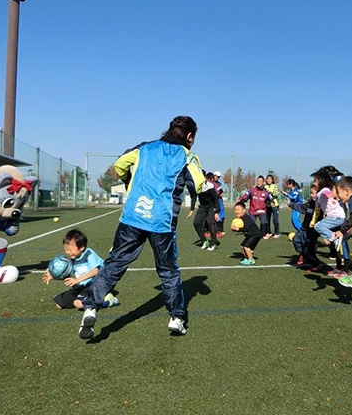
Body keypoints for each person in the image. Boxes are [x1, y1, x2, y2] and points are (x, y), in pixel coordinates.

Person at [78, 116, 205, 339]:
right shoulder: (187, 155)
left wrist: (130, 182)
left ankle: (90, 307)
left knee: (115, 263)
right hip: (161, 222)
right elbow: (199, 183)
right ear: (189, 136)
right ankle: (176, 317)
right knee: (168, 271)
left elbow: (119, 165)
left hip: (132, 217)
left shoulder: (144, 148)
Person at [43, 229, 119, 309]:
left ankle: (108, 301)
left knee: (78, 303)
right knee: (60, 304)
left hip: (96, 283)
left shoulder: (88, 254)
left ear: (81, 247)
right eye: (66, 249)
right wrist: (53, 275)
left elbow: (96, 271)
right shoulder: (73, 258)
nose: (68, 252)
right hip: (83, 286)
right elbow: (66, 273)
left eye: (70, 249)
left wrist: (77, 280)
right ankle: (95, 297)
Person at [189, 172, 221, 251]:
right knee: (196, 222)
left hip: (212, 206)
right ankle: (204, 241)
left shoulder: (209, 186)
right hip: (203, 206)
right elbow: (194, 197)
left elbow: (216, 199)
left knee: (209, 222)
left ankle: (214, 243)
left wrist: (217, 211)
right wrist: (192, 209)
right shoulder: (196, 185)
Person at [231, 201, 262, 265]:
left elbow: (246, 228)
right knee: (242, 246)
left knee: (246, 246)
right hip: (251, 234)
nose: (236, 211)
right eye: (235, 210)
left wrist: (238, 229)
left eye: (238, 209)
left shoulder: (245, 217)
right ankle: (247, 258)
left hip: (255, 234)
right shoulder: (241, 218)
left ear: (244, 210)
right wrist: (235, 229)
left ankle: (251, 260)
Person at [264, 174, 281, 238]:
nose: (269, 180)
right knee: (267, 219)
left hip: (275, 205)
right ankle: (269, 232)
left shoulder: (275, 186)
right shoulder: (264, 186)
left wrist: (271, 192)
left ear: (272, 180)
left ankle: (277, 232)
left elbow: (276, 193)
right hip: (267, 205)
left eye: (270, 179)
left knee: (275, 220)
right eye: (268, 179)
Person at [212, 171, 226, 236]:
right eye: (217, 176)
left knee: (222, 210)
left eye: (219, 177)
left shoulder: (219, 184)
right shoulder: (210, 183)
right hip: (212, 200)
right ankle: (212, 230)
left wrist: (220, 195)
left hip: (219, 200)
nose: (218, 178)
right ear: (214, 175)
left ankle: (220, 229)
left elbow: (221, 192)